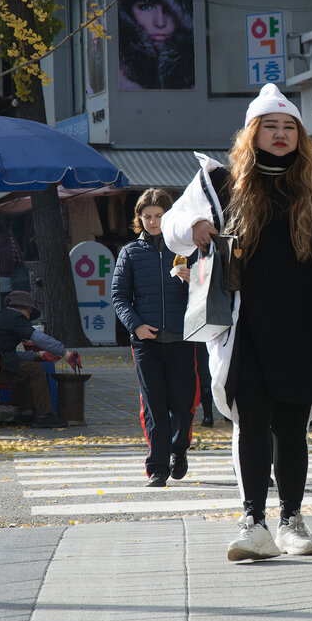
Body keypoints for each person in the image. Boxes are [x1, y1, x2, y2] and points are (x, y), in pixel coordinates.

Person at [163, 83, 312, 561]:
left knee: (290, 425)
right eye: (271, 126)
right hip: (246, 328)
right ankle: (253, 522)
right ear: (252, 133)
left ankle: (291, 520)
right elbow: (173, 226)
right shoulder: (221, 182)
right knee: (252, 421)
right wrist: (195, 228)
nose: (282, 134)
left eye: (290, 127)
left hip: (303, 327)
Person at [111, 188, 197, 488]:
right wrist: (136, 326)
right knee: (154, 406)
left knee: (183, 404)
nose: (152, 222)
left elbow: (209, 290)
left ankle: (179, 450)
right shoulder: (130, 252)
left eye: (159, 216)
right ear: (139, 219)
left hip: (184, 339)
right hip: (146, 342)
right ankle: (157, 467)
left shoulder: (188, 250)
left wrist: (193, 281)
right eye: (146, 216)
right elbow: (119, 296)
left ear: (169, 216)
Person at [0, 290, 73, 428]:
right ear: (26, 308)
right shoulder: (15, 318)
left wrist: (38, 355)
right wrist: (65, 353)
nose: (28, 318)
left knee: (26, 367)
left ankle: (26, 412)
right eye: (29, 313)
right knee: (35, 369)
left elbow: (4, 354)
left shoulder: (1, 317)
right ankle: (44, 415)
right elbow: (39, 338)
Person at [117, 0, 194, 90]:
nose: (160, 23)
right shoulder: (113, 77)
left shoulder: (206, 70)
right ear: (127, 13)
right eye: (146, 7)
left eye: (169, 10)